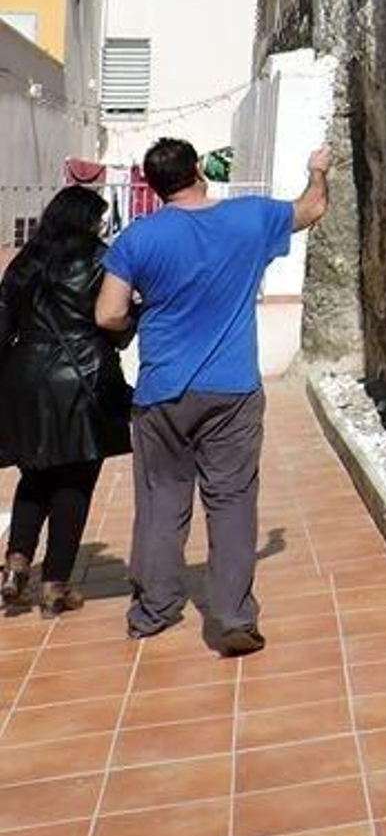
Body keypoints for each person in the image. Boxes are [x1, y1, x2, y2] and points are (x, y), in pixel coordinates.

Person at [95, 136, 330, 655]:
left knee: (161, 504)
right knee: (232, 504)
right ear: (198, 169)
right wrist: (316, 170)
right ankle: (232, 618)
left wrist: (138, 313)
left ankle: (153, 612)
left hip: (162, 394)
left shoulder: (138, 238)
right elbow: (312, 208)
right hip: (233, 391)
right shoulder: (249, 219)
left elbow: (107, 314)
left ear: (154, 186)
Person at [0, 185, 133, 616]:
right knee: (75, 479)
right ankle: (55, 584)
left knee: (35, 472)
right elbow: (115, 327)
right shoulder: (101, 260)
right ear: (87, 221)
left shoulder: (25, 261)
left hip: (24, 375)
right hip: (81, 378)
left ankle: (16, 564)